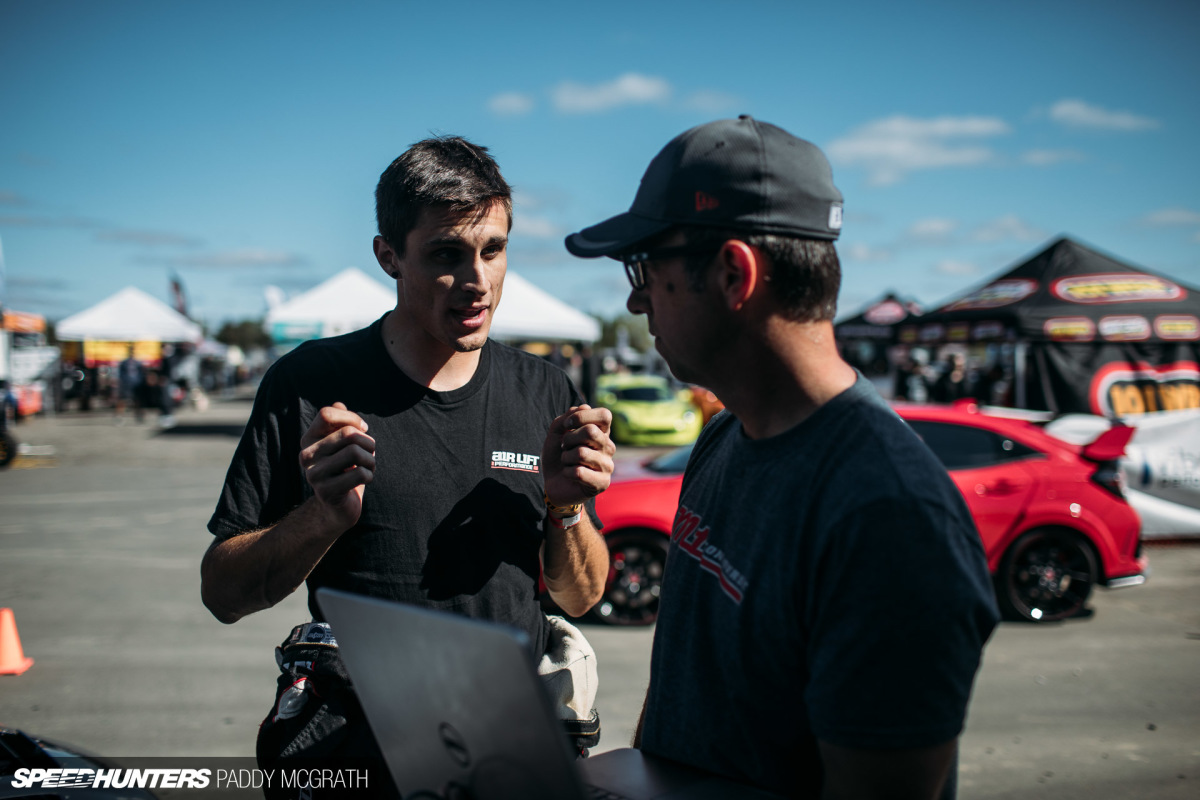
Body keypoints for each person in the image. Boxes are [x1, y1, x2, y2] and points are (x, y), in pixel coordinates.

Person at [565, 116, 999, 799]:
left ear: (734, 273)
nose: (634, 297)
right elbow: (687, 689)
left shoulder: (888, 515)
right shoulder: (723, 438)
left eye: (646, 267)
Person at [202, 135, 614, 791]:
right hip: (360, 753)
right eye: (447, 254)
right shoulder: (311, 385)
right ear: (388, 256)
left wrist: (565, 507)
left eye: (493, 250)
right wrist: (323, 517)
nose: (477, 282)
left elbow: (581, 595)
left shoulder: (544, 389)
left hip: (510, 750)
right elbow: (223, 594)